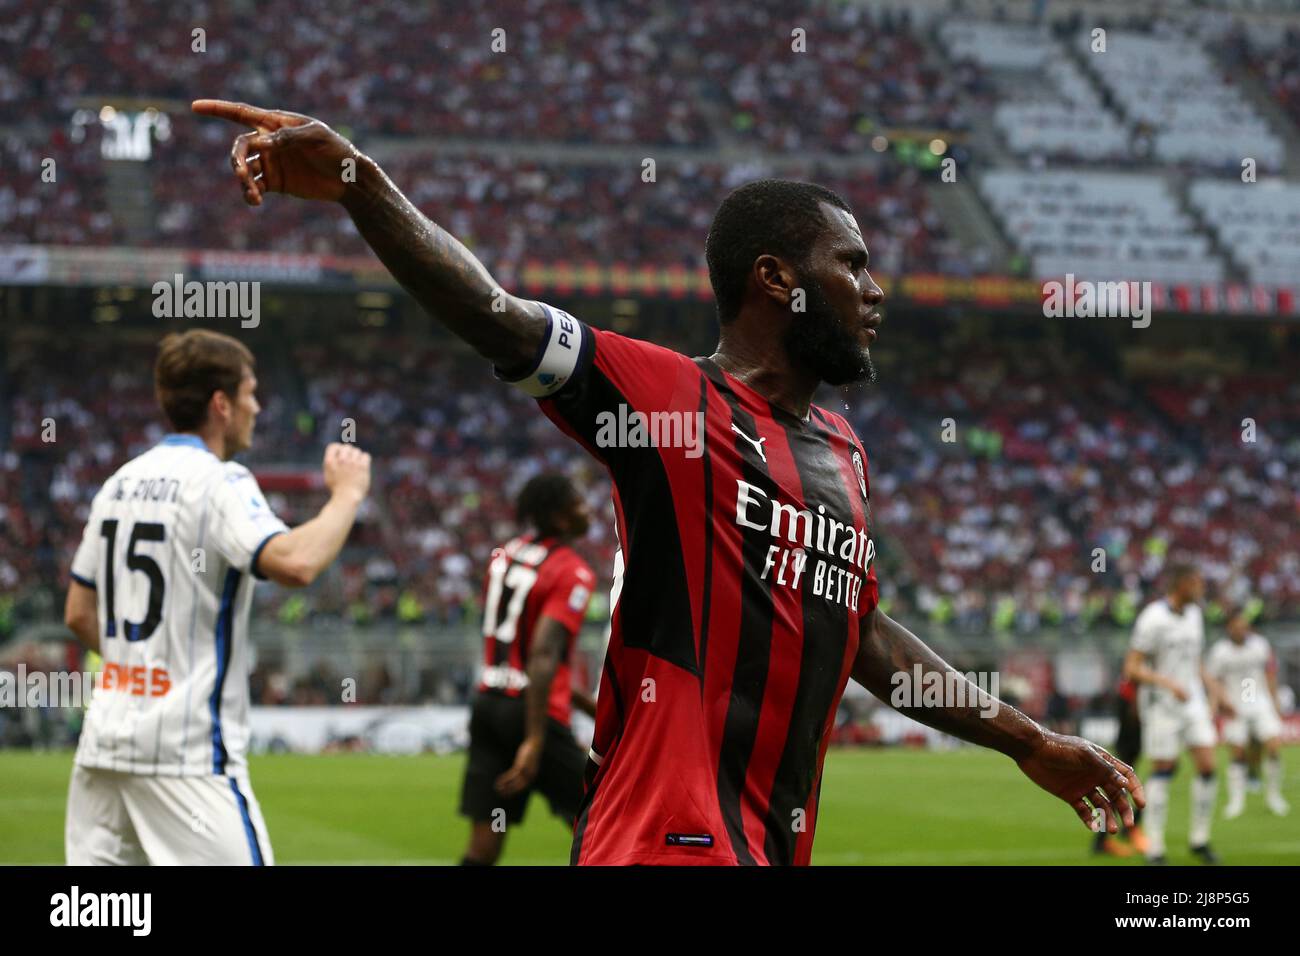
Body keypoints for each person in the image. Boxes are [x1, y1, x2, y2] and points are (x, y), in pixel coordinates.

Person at [195, 100, 1143, 866]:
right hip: (661, 842)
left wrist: (1030, 742)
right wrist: (360, 181)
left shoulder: (844, 451)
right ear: (776, 278)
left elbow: (864, 636)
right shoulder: (667, 400)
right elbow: (495, 314)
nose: (876, 288)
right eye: (852, 264)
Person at [63, 329, 371, 864]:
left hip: (103, 750)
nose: (258, 405)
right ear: (222, 404)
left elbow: (77, 613)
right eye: (251, 392)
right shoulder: (220, 482)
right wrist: (346, 495)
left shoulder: (118, 483)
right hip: (186, 756)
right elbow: (296, 563)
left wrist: (144, 667)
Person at [460, 473, 598, 864]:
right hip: (533, 715)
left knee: (482, 845)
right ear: (558, 517)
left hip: (488, 703)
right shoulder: (572, 570)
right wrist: (535, 741)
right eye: (578, 503)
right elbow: (541, 655)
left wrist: (594, 711)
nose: (587, 510)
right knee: (601, 818)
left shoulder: (504, 555)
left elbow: (525, 657)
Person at [1122, 564, 1228, 865]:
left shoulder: (1195, 616)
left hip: (1192, 701)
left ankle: (1199, 839)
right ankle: (1154, 847)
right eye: (1197, 583)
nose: (1202, 589)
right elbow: (1132, 668)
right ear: (1180, 584)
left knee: (1207, 765)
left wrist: (1215, 692)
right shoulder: (1152, 618)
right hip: (1160, 705)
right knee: (1163, 768)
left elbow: (1195, 661)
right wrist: (1166, 682)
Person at [1208, 610, 1289, 818]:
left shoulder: (1260, 645)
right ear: (1229, 627)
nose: (1241, 629)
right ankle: (1236, 801)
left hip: (1260, 703)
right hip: (1235, 706)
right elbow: (1214, 681)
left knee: (1273, 746)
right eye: (1237, 625)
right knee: (1237, 753)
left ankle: (1273, 797)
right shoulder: (1220, 652)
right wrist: (1216, 706)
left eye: (1244, 625)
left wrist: (1275, 702)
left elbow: (1269, 674)